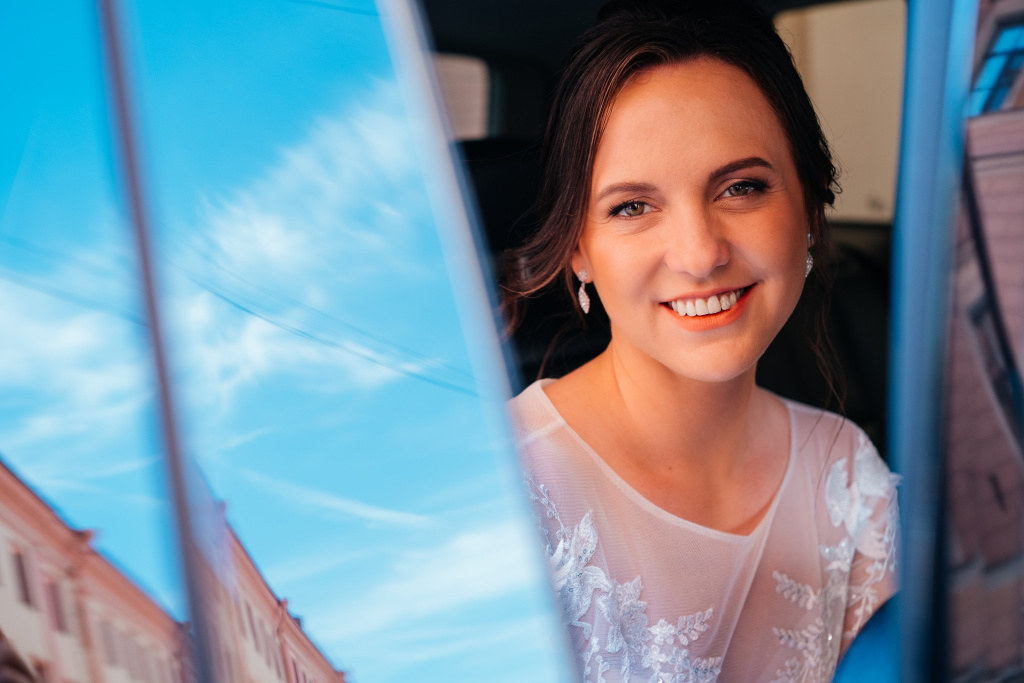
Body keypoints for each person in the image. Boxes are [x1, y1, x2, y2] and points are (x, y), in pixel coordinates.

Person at [501, 1, 900, 681]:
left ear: (810, 205)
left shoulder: (845, 472)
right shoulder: (506, 486)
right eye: (633, 206)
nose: (699, 253)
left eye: (741, 188)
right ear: (577, 248)